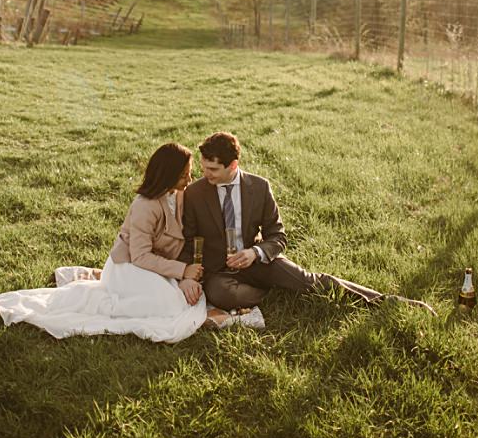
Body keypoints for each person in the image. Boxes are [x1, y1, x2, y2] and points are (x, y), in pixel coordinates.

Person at [179, 132, 436, 316]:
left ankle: (387, 302)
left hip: (257, 261)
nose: (205, 174)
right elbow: (189, 239)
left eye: (212, 169)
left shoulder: (259, 187)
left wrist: (255, 253)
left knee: (309, 280)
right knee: (222, 294)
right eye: (204, 167)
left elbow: (277, 236)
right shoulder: (195, 193)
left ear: (233, 165)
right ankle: (277, 292)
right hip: (219, 272)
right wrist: (189, 274)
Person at [0, 142, 210, 343]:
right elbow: (140, 256)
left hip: (155, 265)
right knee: (171, 306)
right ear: (167, 176)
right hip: (129, 267)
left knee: (178, 302)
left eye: (190, 174)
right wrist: (183, 270)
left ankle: (99, 280)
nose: (189, 180)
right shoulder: (145, 205)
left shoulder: (179, 194)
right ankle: (97, 299)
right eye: (184, 176)